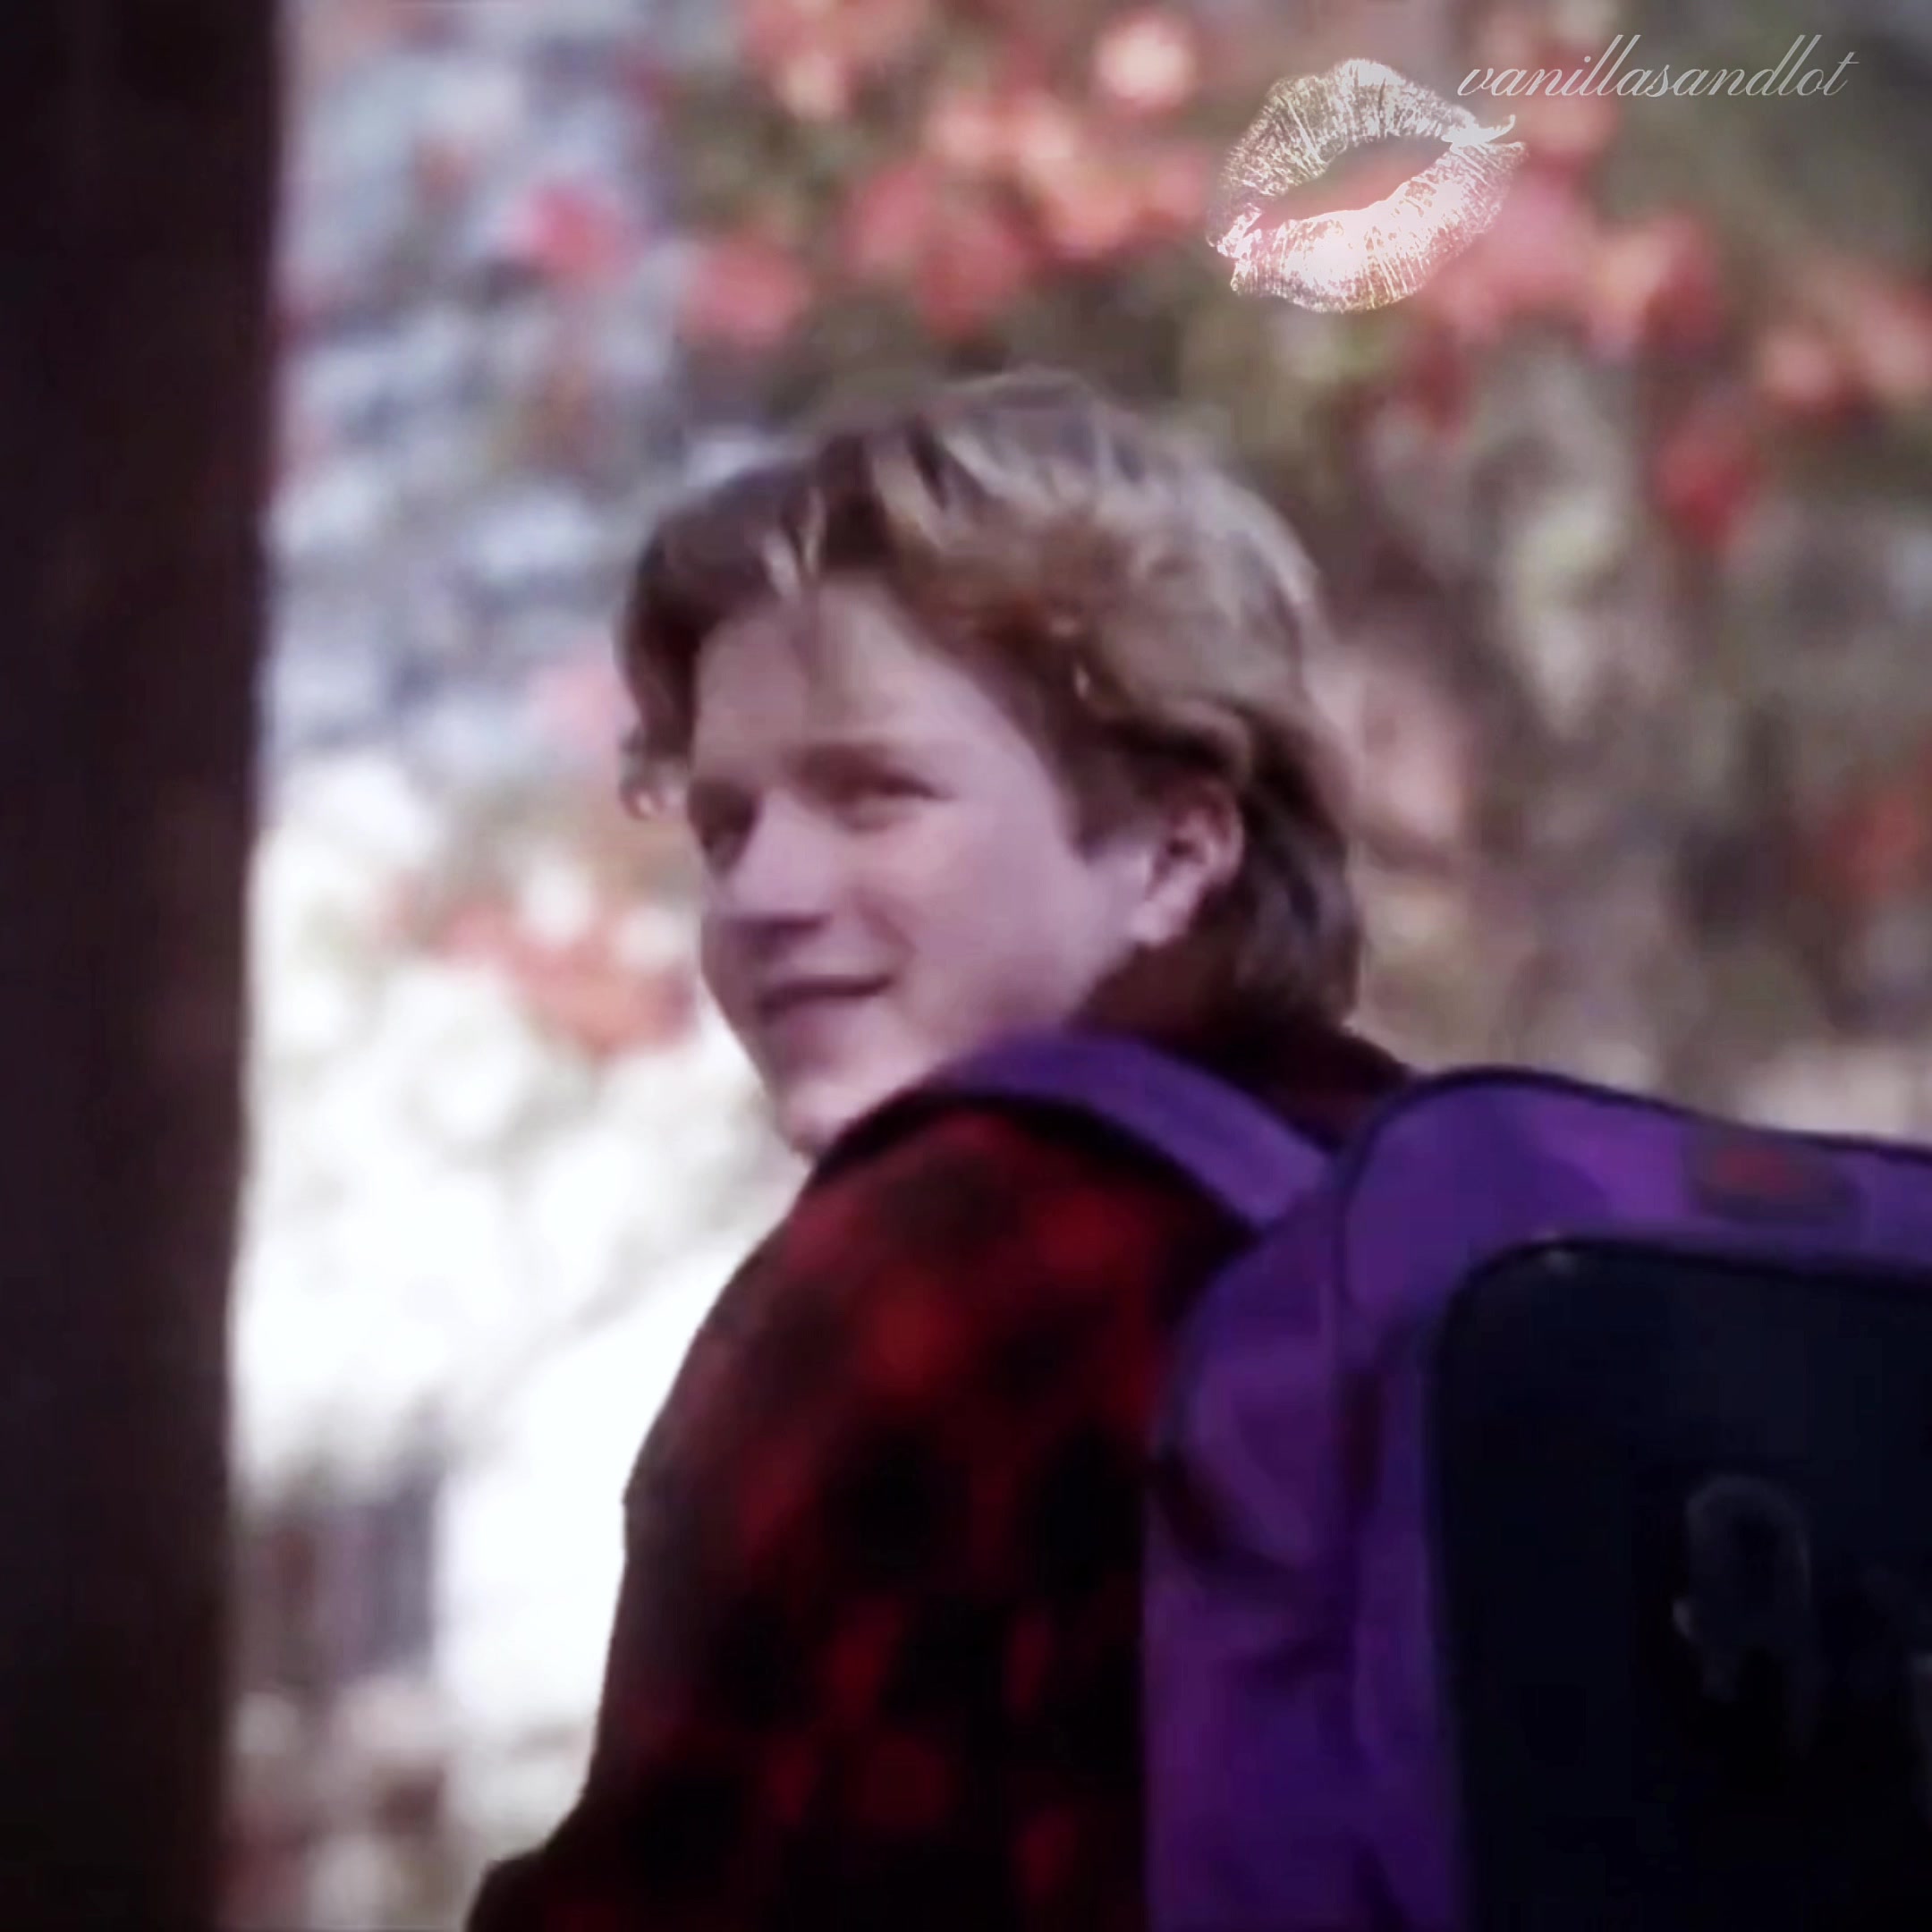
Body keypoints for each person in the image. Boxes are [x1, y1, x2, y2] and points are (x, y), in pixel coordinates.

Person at [466, 367, 1410, 1931]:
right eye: (725, 826)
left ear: (1173, 853)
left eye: (873, 795)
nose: (760, 897)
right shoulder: (1405, 1204)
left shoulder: (950, 1250)